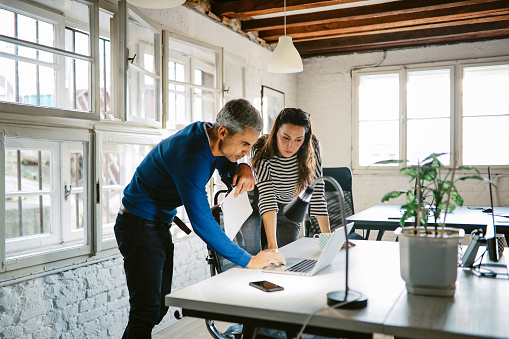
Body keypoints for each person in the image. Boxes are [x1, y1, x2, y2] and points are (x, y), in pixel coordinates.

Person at [114, 99, 285, 338]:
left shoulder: (208, 134)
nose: (247, 151)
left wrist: (243, 167)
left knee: (158, 308)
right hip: (138, 226)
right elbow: (202, 222)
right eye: (245, 144)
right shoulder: (191, 156)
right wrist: (249, 260)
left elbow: (223, 159)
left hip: (156, 225)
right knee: (145, 311)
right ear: (223, 131)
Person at [250, 108, 331, 249]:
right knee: (255, 257)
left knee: (287, 255)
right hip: (256, 209)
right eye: (285, 138)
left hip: (289, 208)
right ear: (276, 132)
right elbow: (267, 197)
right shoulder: (260, 148)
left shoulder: (312, 145)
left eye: (298, 140)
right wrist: (272, 247)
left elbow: (316, 193)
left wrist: (328, 240)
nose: (290, 146)